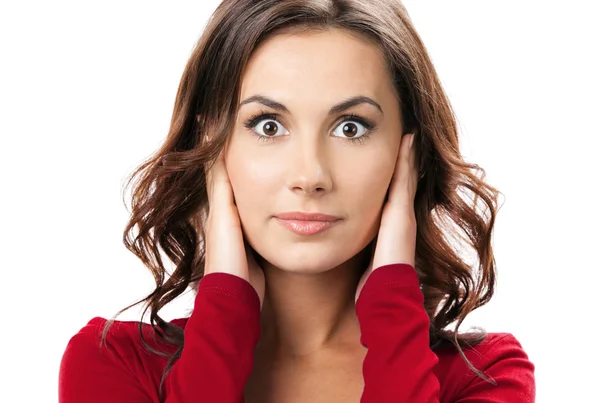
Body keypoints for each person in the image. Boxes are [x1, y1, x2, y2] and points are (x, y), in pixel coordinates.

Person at [58, 0, 536, 402]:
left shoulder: (483, 376)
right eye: (268, 125)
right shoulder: (115, 364)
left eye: (351, 127)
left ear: (408, 150)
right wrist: (224, 312)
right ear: (211, 145)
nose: (310, 176)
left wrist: (393, 302)